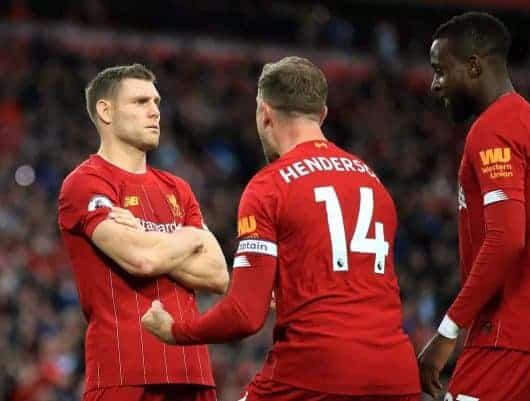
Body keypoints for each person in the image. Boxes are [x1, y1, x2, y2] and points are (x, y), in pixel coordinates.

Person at [141, 56, 421, 401]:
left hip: (314, 373)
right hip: (397, 374)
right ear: (322, 115)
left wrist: (175, 331)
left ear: (264, 113)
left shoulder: (270, 186)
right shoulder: (373, 182)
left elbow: (244, 315)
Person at [418, 12, 530, 401]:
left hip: (511, 329)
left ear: (473, 65)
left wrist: (446, 332)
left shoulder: (495, 127)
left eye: (441, 70)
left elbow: (507, 239)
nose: (434, 84)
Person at [58, 64, 229, 401]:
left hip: (193, 373)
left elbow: (218, 275)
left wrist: (146, 237)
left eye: (157, 102)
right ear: (105, 111)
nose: (155, 112)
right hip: (125, 374)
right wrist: (193, 237)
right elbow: (142, 260)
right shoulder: (86, 183)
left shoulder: (178, 188)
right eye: (140, 102)